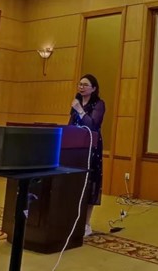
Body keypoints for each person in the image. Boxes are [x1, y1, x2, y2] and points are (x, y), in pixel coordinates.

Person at [68, 74, 105, 237]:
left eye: (85, 85)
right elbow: (70, 124)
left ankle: (86, 224)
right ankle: (72, 219)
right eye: (80, 84)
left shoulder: (99, 104)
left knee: (90, 184)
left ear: (93, 88)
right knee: (74, 182)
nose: (81, 87)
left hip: (91, 148)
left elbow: (93, 125)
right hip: (75, 147)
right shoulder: (76, 101)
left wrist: (80, 110)